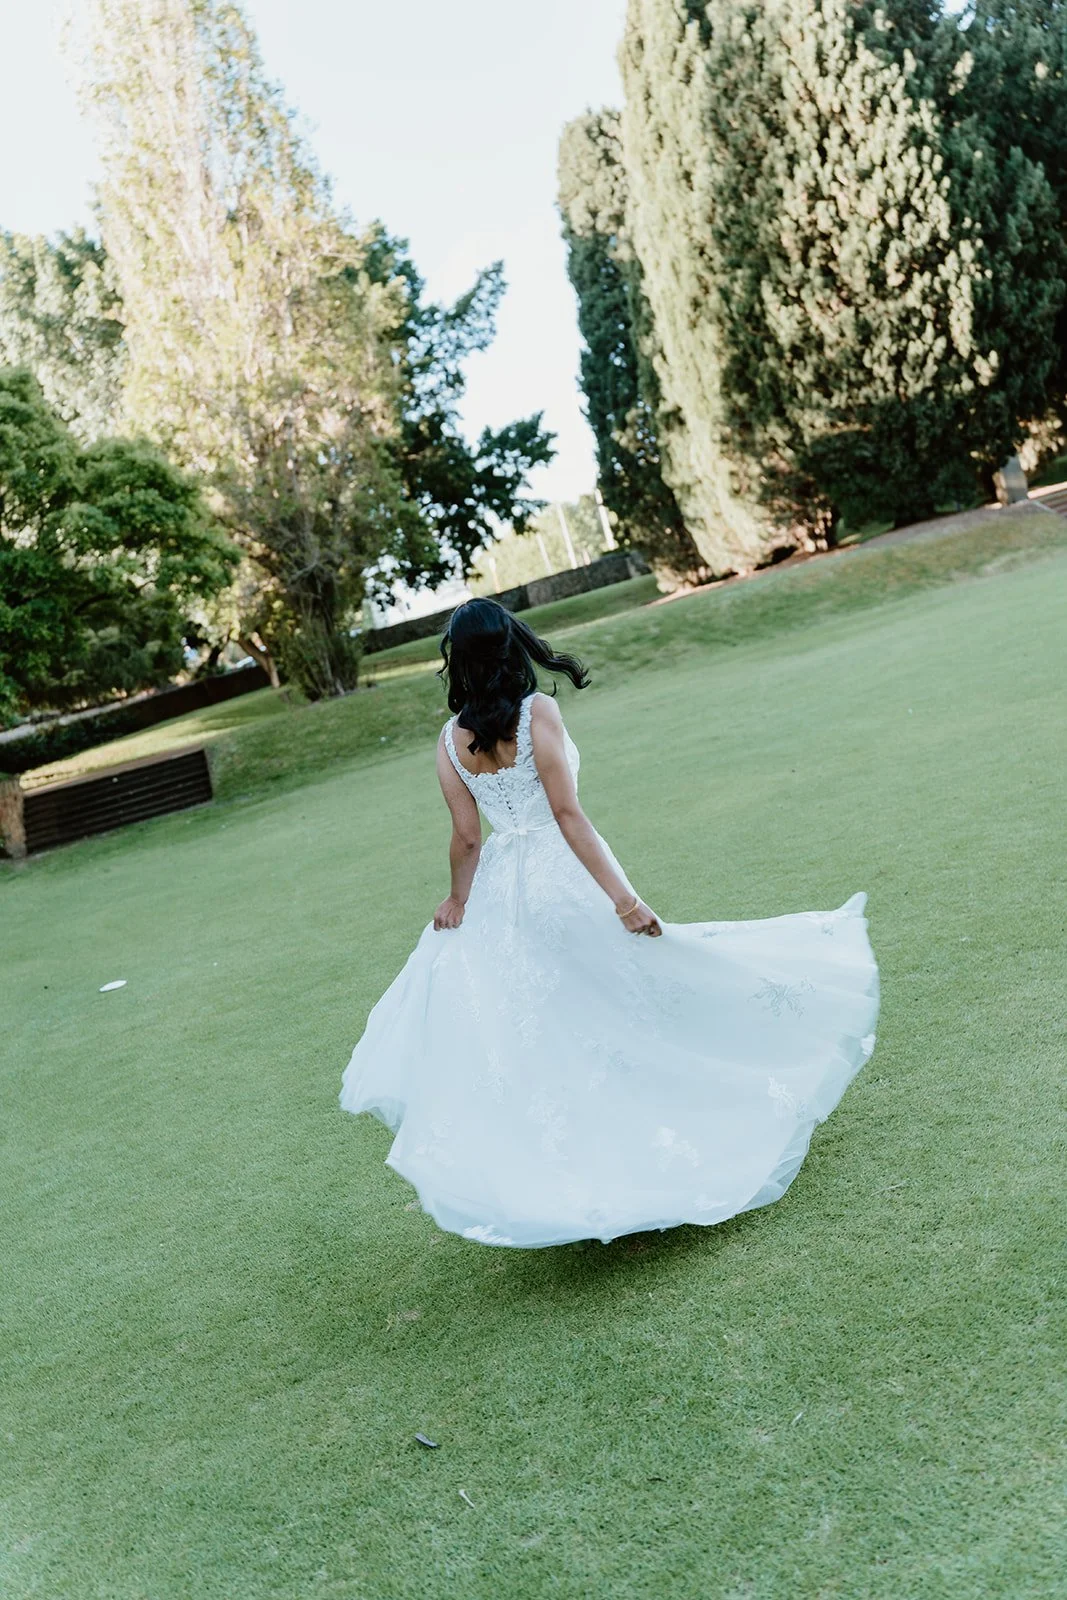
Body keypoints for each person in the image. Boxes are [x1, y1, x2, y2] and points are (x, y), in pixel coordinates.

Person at [340, 598, 879, 1249]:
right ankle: (671, 1147)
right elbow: (566, 815)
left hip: (505, 894)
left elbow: (466, 838)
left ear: (456, 659)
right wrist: (624, 899)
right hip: (562, 878)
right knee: (633, 1000)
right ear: (510, 646)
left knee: (561, 1028)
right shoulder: (536, 712)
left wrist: (458, 901)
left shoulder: (449, 743)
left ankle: (592, 1169)